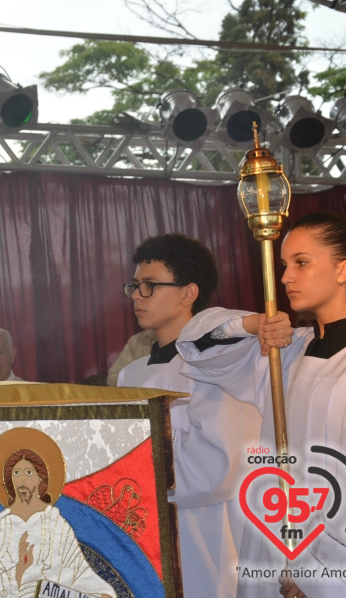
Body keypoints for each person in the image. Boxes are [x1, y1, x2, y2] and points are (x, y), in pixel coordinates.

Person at [176, 210, 346, 598]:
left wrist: (315, 578)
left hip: (336, 559)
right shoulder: (287, 353)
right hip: (271, 542)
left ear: (344, 270)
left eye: (302, 263)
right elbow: (195, 349)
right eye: (284, 264)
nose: (286, 277)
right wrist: (252, 325)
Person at [116, 234, 261, 598]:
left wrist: (138, 477)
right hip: (144, 535)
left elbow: (221, 466)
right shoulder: (129, 376)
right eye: (134, 286)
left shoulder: (218, 365)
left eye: (149, 286)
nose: (136, 295)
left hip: (205, 535)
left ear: (188, 293)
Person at [0, 428, 115, 598]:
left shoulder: (56, 525)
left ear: (41, 479)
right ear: (9, 479)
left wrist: (101, 593)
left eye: (29, 473)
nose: (22, 480)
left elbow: (78, 574)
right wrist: (18, 571)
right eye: (16, 473)